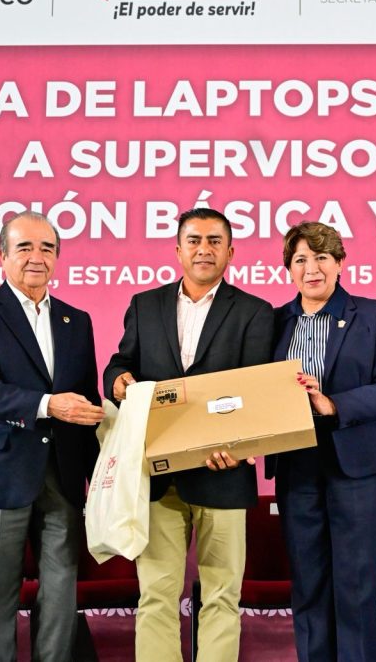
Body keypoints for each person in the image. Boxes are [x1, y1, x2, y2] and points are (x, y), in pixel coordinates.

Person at [103, 207, 274, 662]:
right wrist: (117, 380)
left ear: (231, 252)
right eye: (194, 240)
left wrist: (239, 448)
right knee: (156, 595)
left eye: (215, 241)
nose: (204, 249)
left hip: (225, 472)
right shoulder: (145, 305)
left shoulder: (255, 312)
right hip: (159, 476)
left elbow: (255, 392)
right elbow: (121, 362)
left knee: (222, 595)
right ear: (178, 250)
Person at [0, 211, 104, 661]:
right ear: (2, 255)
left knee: (60, 599)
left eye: (47, 248)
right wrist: (47, 405)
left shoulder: (77, 320)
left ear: (57, 257)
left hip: (63, 479)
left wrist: (102, 480)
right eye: (24, 247)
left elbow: (86, 403)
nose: (37, 257)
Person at [266, 221, 376, 661]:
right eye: (300, 260)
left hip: (358, 464)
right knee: (308, 582)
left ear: (340, 263)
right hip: (295, 464)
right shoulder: (272, 322)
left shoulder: (374, 315)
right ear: (288, 269)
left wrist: (331, 403)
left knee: (356, 582)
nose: (311, 269)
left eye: (322, 258)